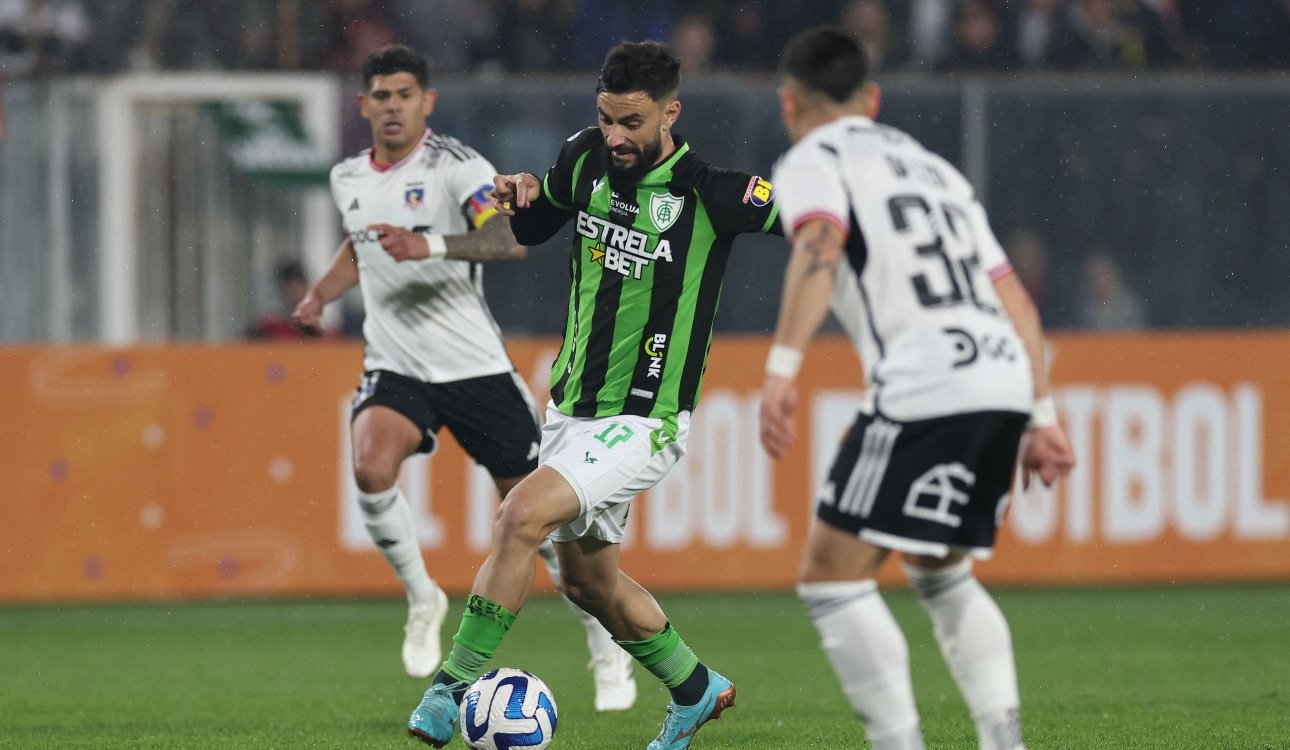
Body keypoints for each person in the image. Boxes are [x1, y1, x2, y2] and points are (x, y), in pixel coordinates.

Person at [404, 40, 781, 749]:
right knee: (588, 584)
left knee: (520, 515)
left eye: (632, 123)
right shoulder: (584, 157)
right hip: (572, 410)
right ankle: (696, 688)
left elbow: (818, 225)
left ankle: (449, 691)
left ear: (671, 112)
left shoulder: (710, 193)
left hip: (647, 418)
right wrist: (516, 196)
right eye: (606, 119)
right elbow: (534, 225)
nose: (616, 137)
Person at [290, 43, 636, 710]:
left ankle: (604, 642)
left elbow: (506, 239)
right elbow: (357, 245)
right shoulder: (347, 178)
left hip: (474, 367)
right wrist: (319, 296)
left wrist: (430, 244)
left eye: (405, 95)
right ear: (363, 105)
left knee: (544, 531)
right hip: (396, 364)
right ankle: (423, 597)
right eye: (381, 96)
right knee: (369, 466)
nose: (393, 107)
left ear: (428, 102)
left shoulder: (457, 167)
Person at [759, 27, 1075, 750]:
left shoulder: (810, 157)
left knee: (831, 579)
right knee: (941, 571)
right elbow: (1016, 301)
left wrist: (782, 369)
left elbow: (819, 243)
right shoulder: (934, 169)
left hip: (926, 379)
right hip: (1001, 371)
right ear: (871, 98)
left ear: (788, 104)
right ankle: (1003, 738)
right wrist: (1041, 413)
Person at [251, 260, 339, 339]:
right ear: (280, 291)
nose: (294, 293)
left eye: (299, 286)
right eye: (289, 288)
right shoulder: (267, 329)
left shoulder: (327, 333)